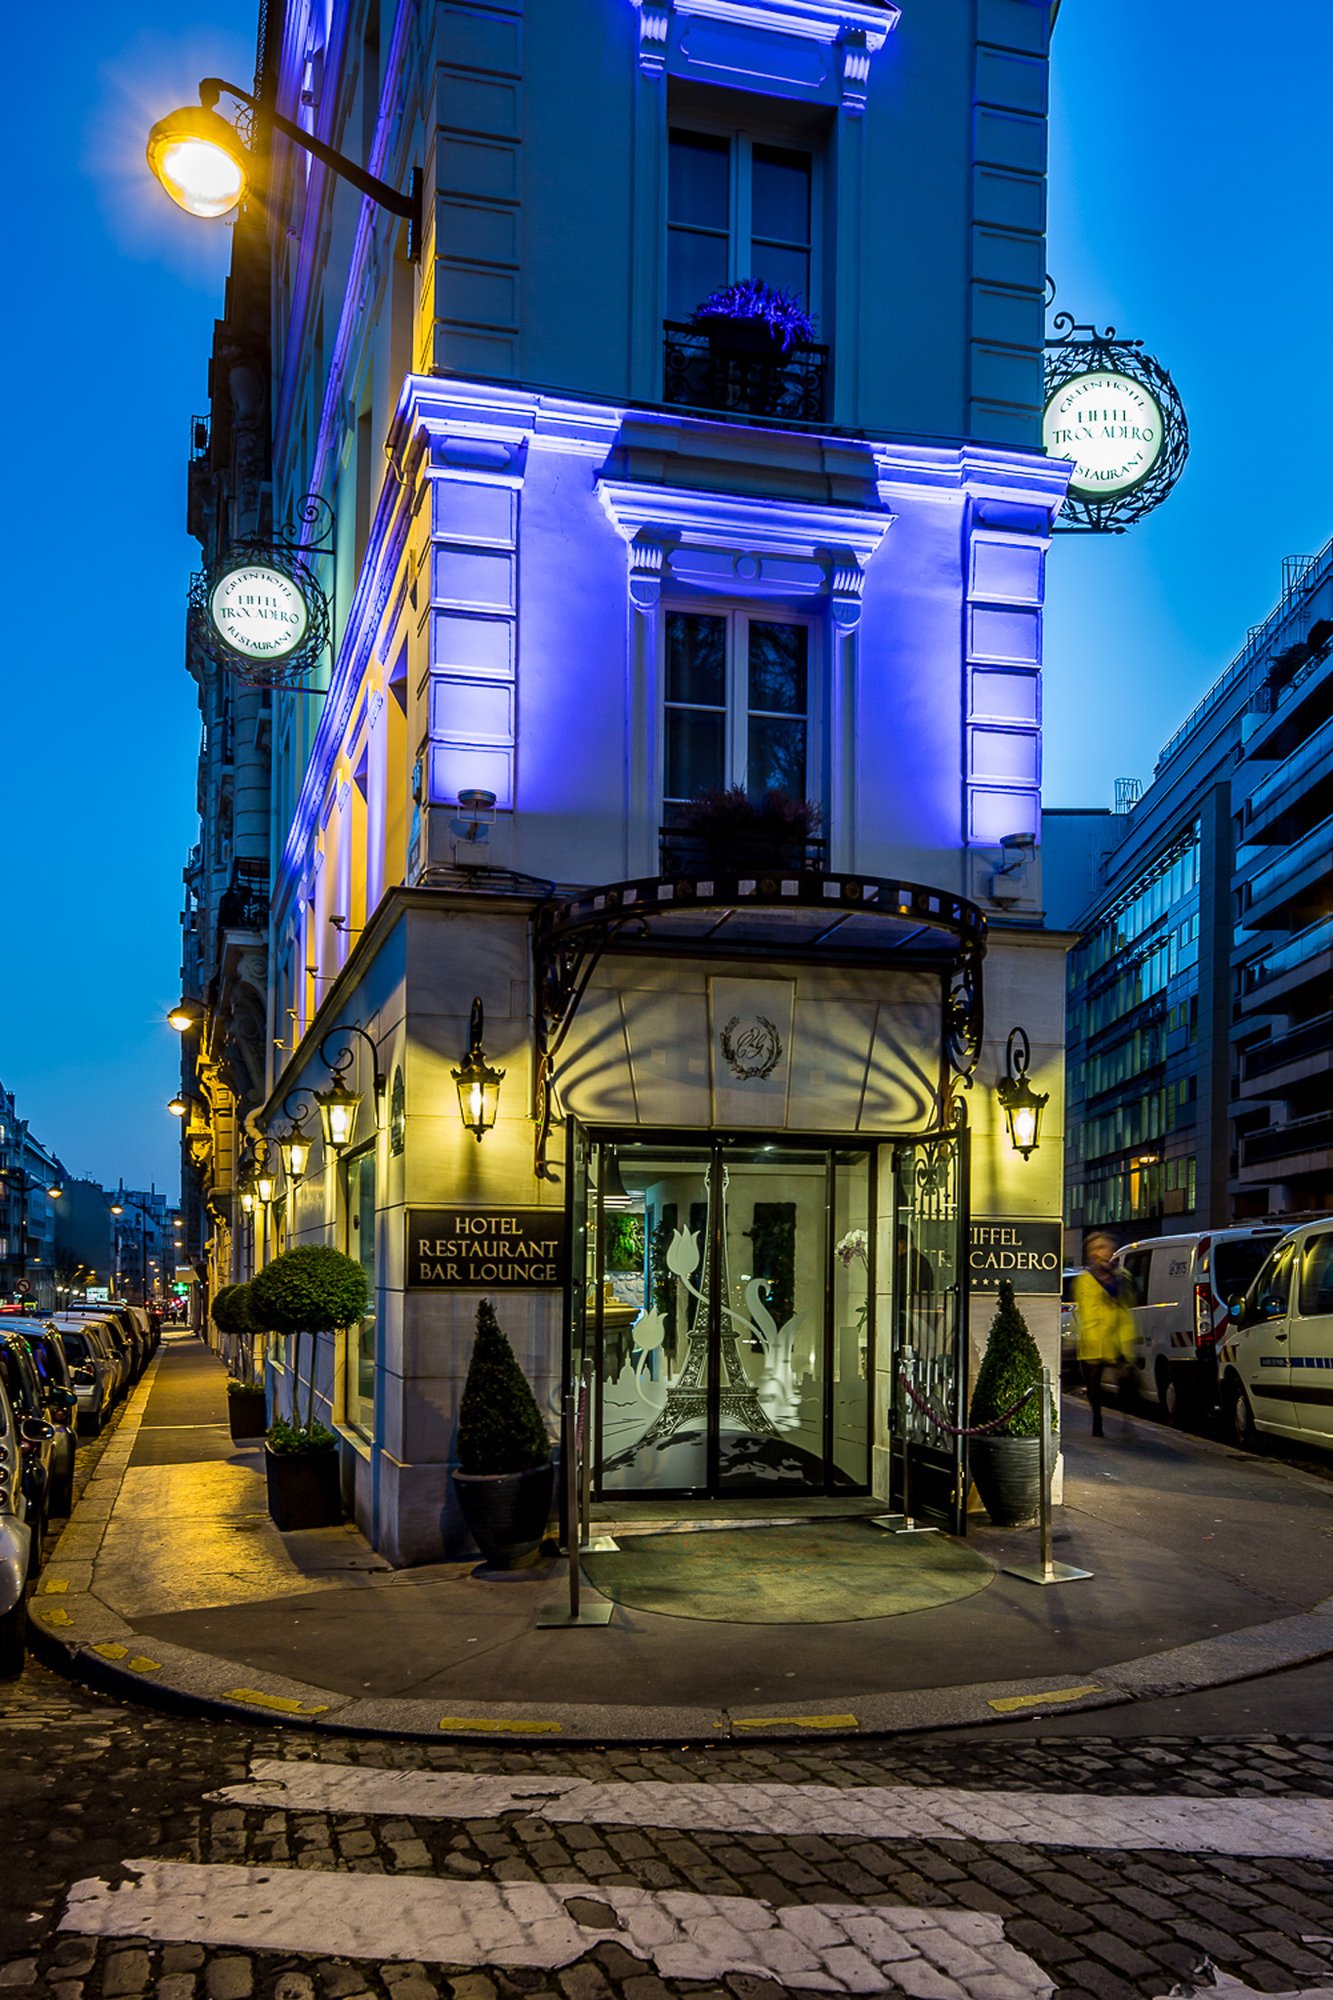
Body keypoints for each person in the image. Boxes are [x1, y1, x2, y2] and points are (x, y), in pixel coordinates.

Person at [1074, 1232, 1136, 1438]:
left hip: (1118, 1337)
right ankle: (1097, 1421)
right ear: (1091, 1253)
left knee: (1126, 1381)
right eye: (1099, 1247)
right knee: (1094, 1384)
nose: (1104, 1251)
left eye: (1107, 1247)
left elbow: (1128, 1304)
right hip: (1095, 1338)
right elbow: (1087, 1310)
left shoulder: (1121, 1275)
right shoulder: (1086, 1279)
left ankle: (1127, 1421)